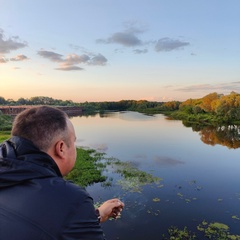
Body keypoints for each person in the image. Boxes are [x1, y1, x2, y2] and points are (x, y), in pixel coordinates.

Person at [0, 106, 124, 240]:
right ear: (61, 148)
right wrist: (81, 213)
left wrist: (96, 215)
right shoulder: (73, 201)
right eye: (74, 141)